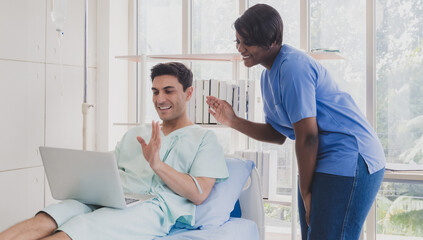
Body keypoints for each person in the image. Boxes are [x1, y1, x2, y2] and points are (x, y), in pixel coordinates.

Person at [206, 3, 385, 240]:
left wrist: (305, 190)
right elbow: (277, 134)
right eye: (237, 41)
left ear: (270, 40)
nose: (240, 48)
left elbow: (308, 137)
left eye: (246, 41)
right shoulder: (266, 75)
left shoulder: (293, 67)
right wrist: (232, 120)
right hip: (323, 158)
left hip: (351, 156)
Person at [0, 62, 229, 240]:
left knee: (78, 228)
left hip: (152, 208)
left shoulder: (205, 139)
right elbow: (107, 173)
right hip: (113, 197)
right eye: (155, 91)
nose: (160, 99)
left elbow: (199, 194)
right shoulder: (137, 133)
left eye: (168, 91)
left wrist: (157, 164)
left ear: (188, 94)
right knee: (49, 217)